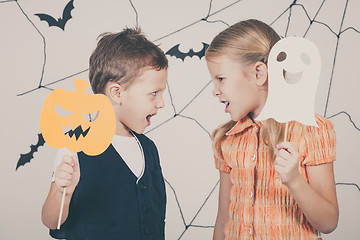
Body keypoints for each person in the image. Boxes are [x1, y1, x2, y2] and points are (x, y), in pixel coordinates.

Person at [205, 19, 338, 240]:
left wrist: (295, 180)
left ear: (259, 73)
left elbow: (329, 222)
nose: (215, 91)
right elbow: (223, 221)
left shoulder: (311, 130)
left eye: (221, 79)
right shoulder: (226, 139)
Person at [41, 27, 168, 240]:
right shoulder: (75, 145)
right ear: (117, 93)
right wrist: (64, 192)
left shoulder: (149, 149)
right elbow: (51, 220)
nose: (162, 103)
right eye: (154, 94)